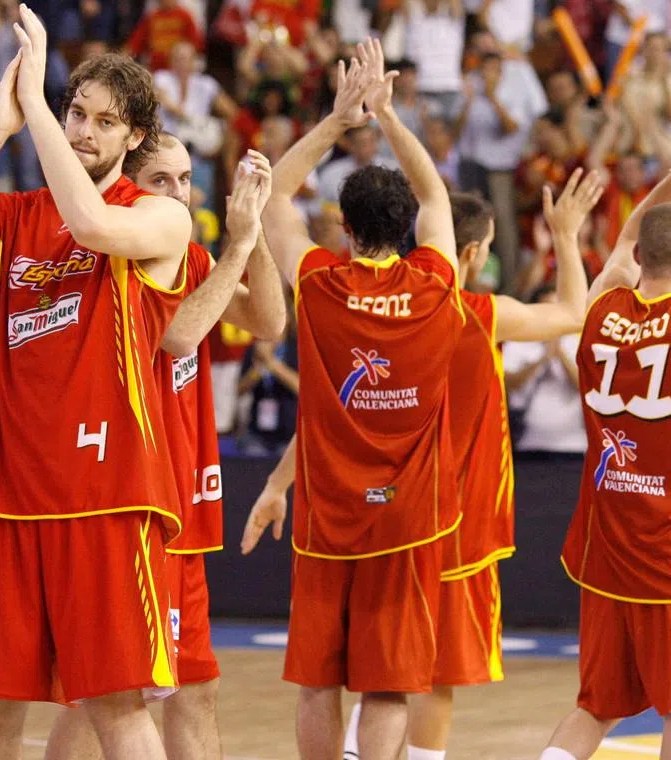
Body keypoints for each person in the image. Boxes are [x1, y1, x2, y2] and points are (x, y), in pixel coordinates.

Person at [0, 6, 193, 759]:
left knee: (115, 709)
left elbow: (95, 227)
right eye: (75, 112)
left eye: (103, 121)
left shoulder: (161, 216)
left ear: (135, 137)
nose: (81, 131)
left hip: (106, 498)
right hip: (11, 499)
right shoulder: (14, 216)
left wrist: (34, 107)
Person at [243, 39, 464, 759]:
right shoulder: (436, 285)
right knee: (389, 685)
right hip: (406, 520)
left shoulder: (317, 284)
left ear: (342, 226)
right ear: (406, 232)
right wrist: (390, 119)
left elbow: (274, 194)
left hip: (328, 514)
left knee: (319, 683)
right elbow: (435, 194)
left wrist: (340, 120)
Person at [44, 136, 286, 760]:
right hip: (130, 506)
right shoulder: (120, 267)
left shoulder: (199, 262)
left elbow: (269, 321)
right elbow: (179, 335)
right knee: (103, 696)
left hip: (182, 506)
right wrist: (236, 245)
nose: (179, 195)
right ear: (129, 187)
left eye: (185, 179)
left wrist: (252, 231)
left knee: (194, 687)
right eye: (161, 181)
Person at [538, 101, 671, 760]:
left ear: (635, 257)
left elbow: (632, 235)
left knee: (595, 708)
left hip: (607, 549)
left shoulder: (600, 308)